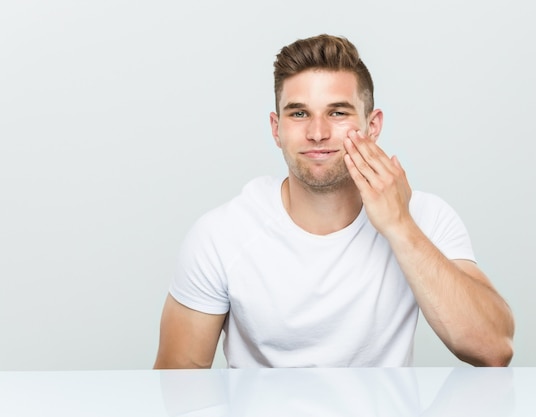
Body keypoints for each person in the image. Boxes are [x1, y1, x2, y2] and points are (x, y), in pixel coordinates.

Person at [154, 34, 514, 369]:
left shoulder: (424, 217)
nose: (317, 133)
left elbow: (494, 348)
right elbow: (176, 388)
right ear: (276, 128)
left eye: (338, 113)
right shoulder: (221, 235)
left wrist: (399, 227)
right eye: (298, 113)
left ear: (372, 126)